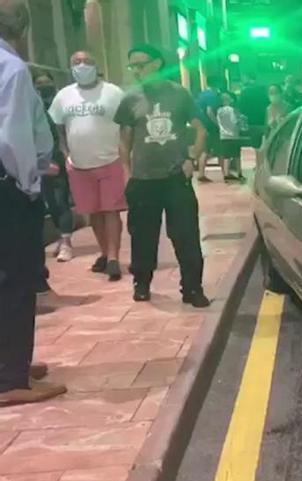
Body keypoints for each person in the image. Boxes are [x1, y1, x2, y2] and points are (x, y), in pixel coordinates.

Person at [0, 0, 67, 405]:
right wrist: (28, 182)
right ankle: (12, 379)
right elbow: (11, 136)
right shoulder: (12, 68)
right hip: (8, 189)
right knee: (17, 281)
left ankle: (10, 363)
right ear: (21, 27)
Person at [115, 44, 210, 307]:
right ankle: (142, 282)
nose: (137, 71)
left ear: (157, 63)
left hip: (175, 178)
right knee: (143, 235)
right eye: (132, 66)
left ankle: (192, 288)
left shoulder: (180, 95)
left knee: (185, 234)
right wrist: (127, 174)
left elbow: (201, 129)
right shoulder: (130, 99)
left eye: (141, 64)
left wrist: (192, 158)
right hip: (143, 181)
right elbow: (124, 142)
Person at [48, 50, 126, 281]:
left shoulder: (113, 93)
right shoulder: (64, 96)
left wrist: (125, 156)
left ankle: (113, 257)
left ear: (96, 65)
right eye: (76, 62)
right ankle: (103, 252)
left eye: (87, 61)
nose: (82, 66)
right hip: (79, 164)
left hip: (110, 160)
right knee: (94, 213)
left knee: (110, 210)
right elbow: (59, 127)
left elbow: (125, 127)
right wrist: (65, 153)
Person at [34, 72, 75, 265]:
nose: (44, 86)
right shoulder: (34, 105)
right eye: (39, 83)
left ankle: (66, 241)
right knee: (50, 202)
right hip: (40, 162)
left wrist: (65, 155)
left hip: (59, 159)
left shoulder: (61, 103)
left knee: (60, 200)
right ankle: (61, 236)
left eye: (46, 82)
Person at [195, 76, 222, 182]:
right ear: (218, 84)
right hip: (209, 125)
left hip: (202, 123)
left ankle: (201, 172)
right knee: (208, 149)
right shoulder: (212, 95)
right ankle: (201, 173)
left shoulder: (202, 94)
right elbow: (209, 111)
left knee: (205, 148)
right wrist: (217, 124)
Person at [217, 91, 244, 182]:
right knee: (237, 155)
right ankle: (239, 173)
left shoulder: (219, 110)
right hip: (234, 135)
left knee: (226, 156)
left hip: (223, 136)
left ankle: (226, 174)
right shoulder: (233, 110)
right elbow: (234, 121)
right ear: (228, 100)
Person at [238, 73, 268, 148]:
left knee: (255, 146)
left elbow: (241, 108)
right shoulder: (263, 91)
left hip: (251, 122)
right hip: (263, 121)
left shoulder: (244, 92)